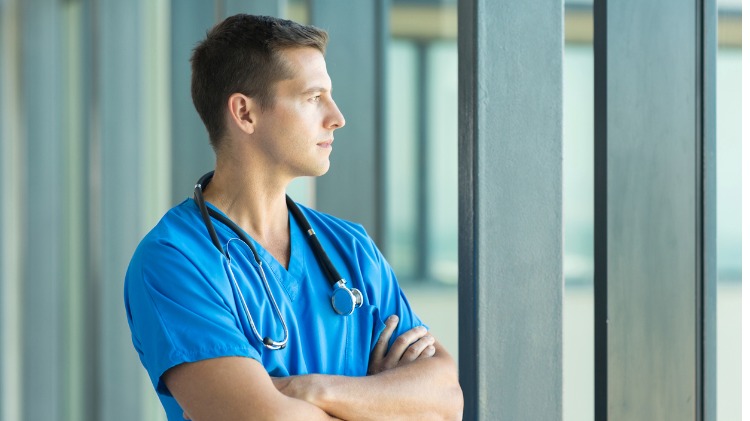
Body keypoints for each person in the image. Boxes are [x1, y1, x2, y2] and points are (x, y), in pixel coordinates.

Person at [124, 13, 463, 421]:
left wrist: (307, 389)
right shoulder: (175, 261)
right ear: (245, 113)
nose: (337, 117)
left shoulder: (351, 249)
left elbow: (445, 400)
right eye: (313, 97)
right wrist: (380, 400)